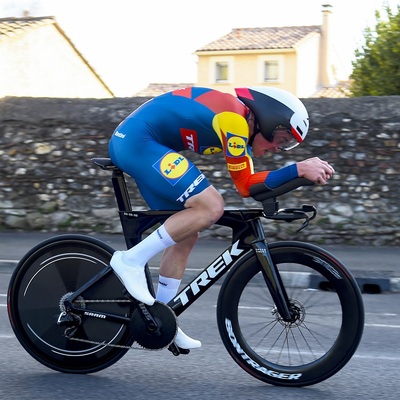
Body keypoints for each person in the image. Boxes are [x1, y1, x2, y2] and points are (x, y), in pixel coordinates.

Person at [108, 86, 335, 350]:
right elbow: (246, 186)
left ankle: (163, 316)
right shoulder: (234, 120)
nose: (279, 149)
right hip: (137, 142)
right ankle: (130, 261)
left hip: (144, 144)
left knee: (187, 233)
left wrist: (297, 177)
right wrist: (298, 168)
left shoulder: (238, 122)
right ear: (270, 121)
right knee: (211, 206)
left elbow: (255, 184)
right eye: (283, 140)